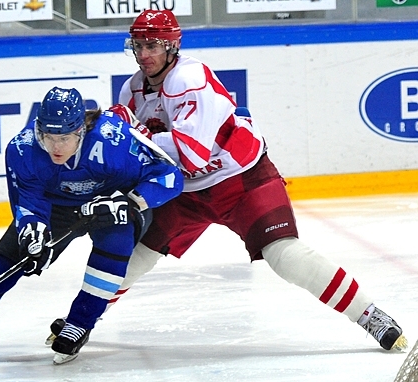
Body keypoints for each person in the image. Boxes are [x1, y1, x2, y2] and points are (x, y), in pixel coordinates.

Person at [46, 10, 407, 361]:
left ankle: (369, 315)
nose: (144, 55)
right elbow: (140, 158)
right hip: (183, 191)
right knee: (135, 254)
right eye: (138, 46)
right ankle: (82, 321)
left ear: (172, 47)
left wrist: (137, 134)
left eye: (152, 45)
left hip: (241, 179)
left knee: (285, 256)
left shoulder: (189, 78)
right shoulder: (131, 90)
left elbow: (193, 154)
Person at [0, 86, 183, 364]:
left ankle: (79, 323)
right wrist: (32, 232)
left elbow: (169, 176)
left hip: (110, 203)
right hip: (57, 207)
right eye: (48, 136)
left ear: (81, 131)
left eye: (64, 138)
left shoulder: (114, 139)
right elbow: (28, 202)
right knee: (4, 263)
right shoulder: (23, 148)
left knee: (115, 246)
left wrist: (131, 202)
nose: (55, 147)